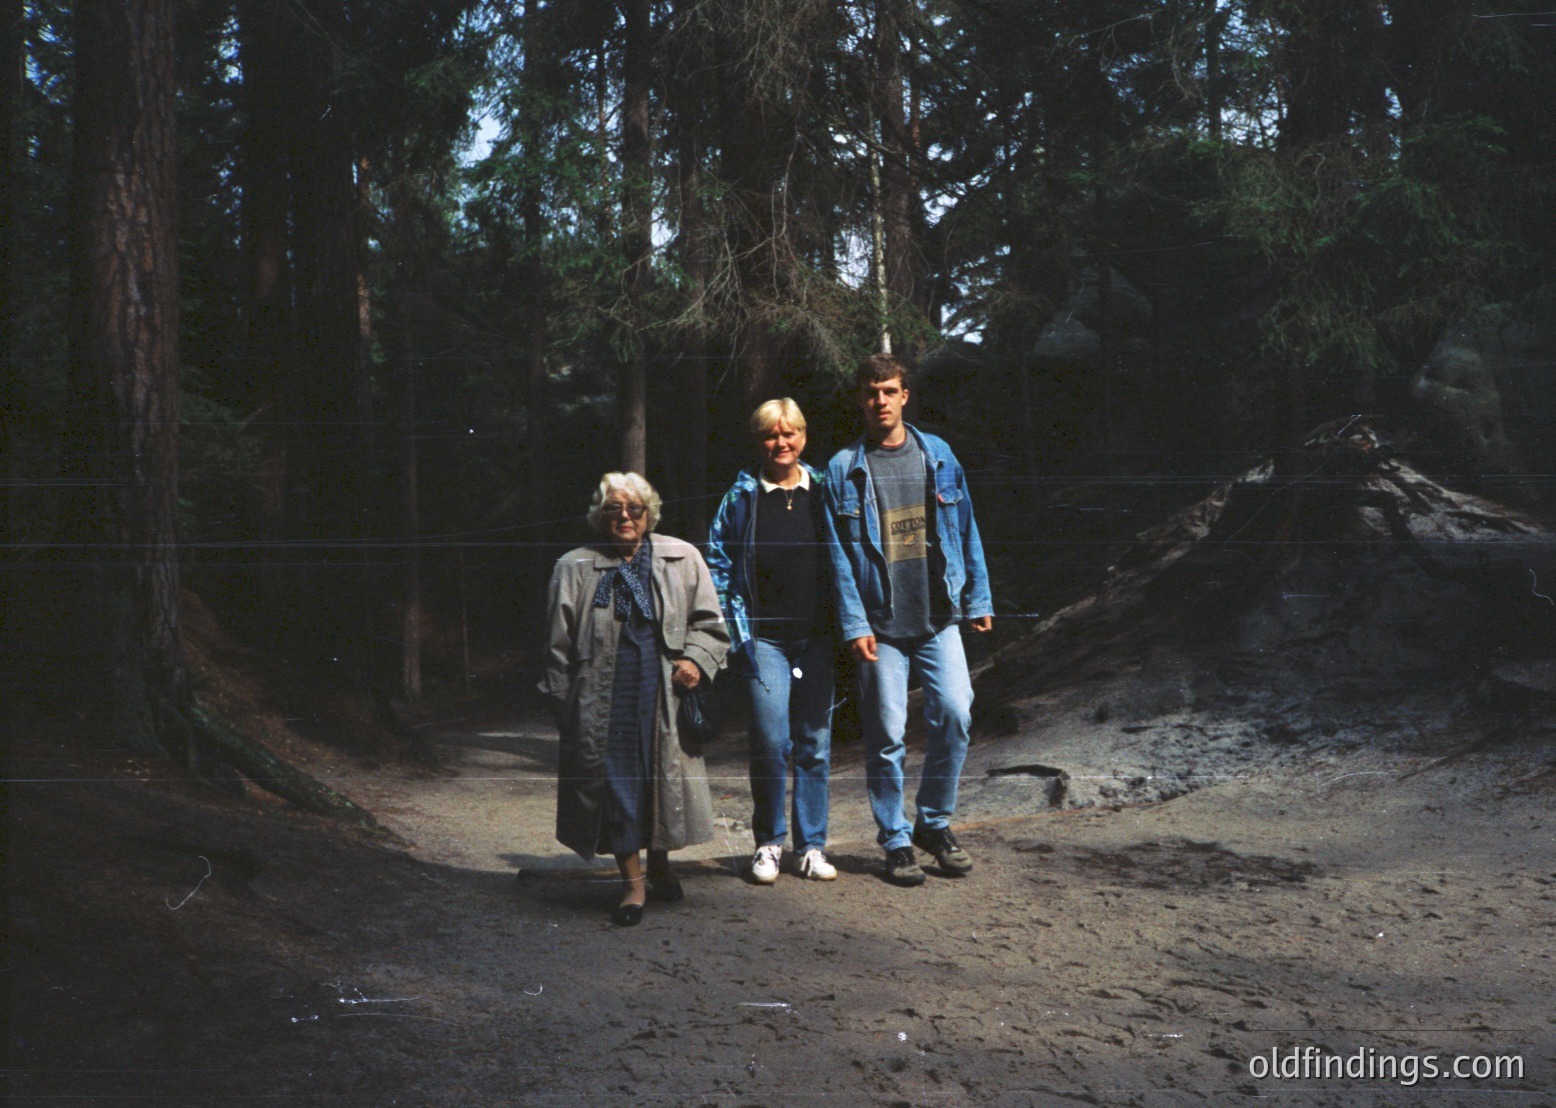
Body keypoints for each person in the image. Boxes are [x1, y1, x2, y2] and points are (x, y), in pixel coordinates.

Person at [822, 353, 994, 887]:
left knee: (956, 713)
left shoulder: (937, 454)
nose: (881, 401)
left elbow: (966, 528)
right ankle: (895, 839)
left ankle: (933, 824)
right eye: (871, 392)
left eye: (889, 391)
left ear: (904, 396)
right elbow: (838, 558)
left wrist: (978, 599)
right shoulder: (842, 468)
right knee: (887, 734)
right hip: (881, 625)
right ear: (861, 399)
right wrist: (855, 624)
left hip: (938, 615)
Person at [540, 472, 730, 926]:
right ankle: (633, 885)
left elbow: (710, 625)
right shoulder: (574, 566)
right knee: (618, 786)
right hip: (603, 697)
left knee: (661, 779)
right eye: (614, 509)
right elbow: (555, 647)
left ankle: (660, 866)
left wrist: (696, 660)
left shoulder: (682, 557)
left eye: (634, 509)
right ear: (599, 516)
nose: (624, 517)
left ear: (649, 514)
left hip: (665, 692)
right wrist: (565, 706)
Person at [707, 399, 838, 884]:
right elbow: (717, 565)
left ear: (803, 436)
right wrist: (734, 631)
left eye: (789, 433)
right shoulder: (740, 497)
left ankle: (812, 847)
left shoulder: (825, 489)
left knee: (814, 743)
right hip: (763, 639)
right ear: (758, 441)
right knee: (769, 740)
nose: (781, 443)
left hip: (818, 638)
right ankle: (768, 843)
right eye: (770, 435)